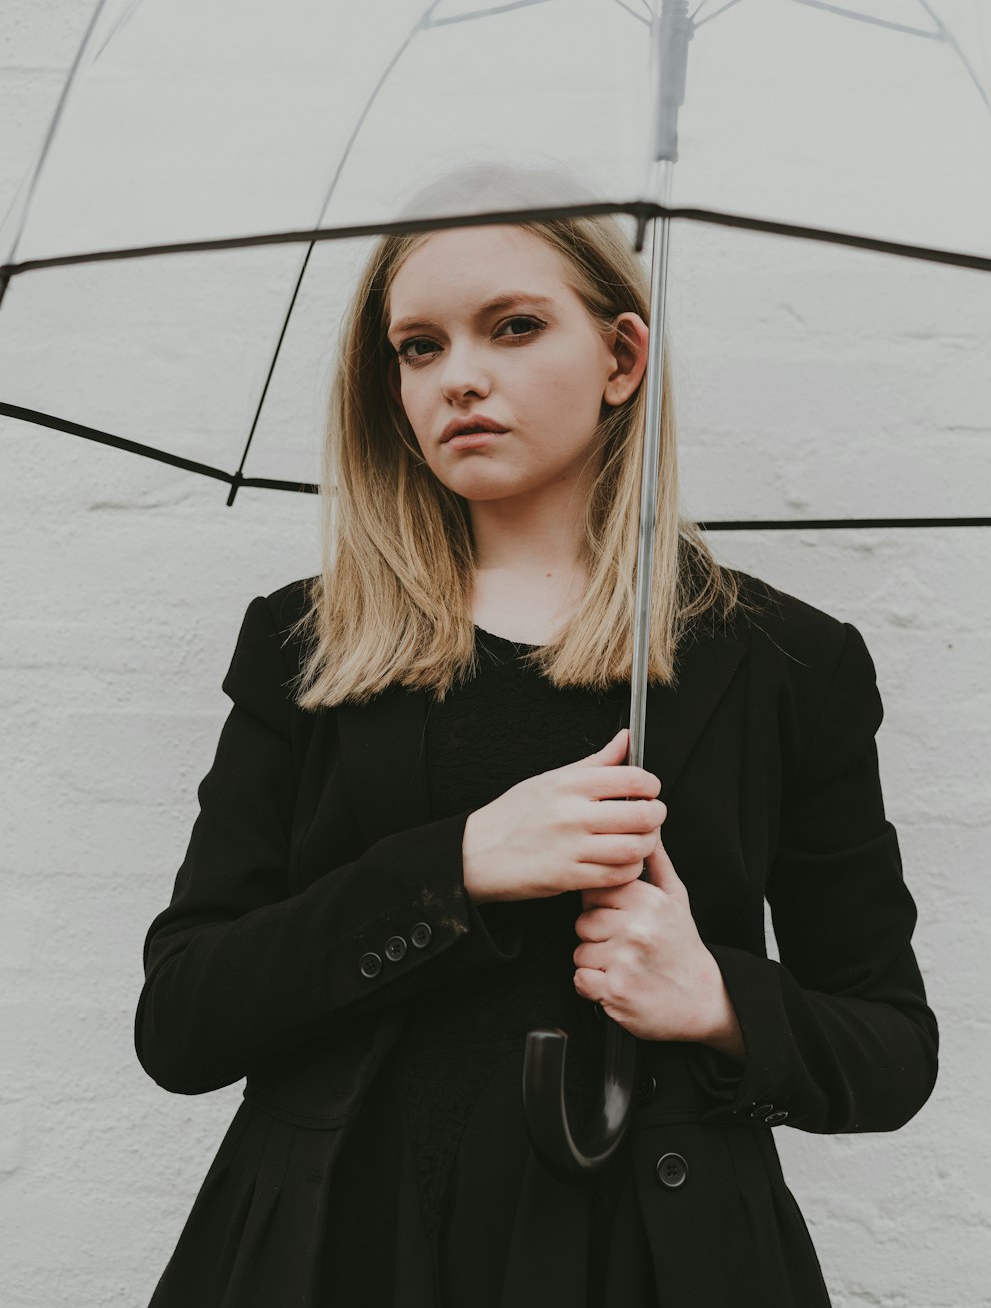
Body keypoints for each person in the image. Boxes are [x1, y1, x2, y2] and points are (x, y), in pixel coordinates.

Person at [135, 208, 938, 1308]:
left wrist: (714, 995)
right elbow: (183, 1020)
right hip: (343, 1246)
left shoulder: (785, 662)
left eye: (512, 326)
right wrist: (456, 866)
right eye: (419, 346)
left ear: (621, 356)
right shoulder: (306, 646)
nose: (457, 376)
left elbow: (890, 1047)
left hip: (650, 1260)